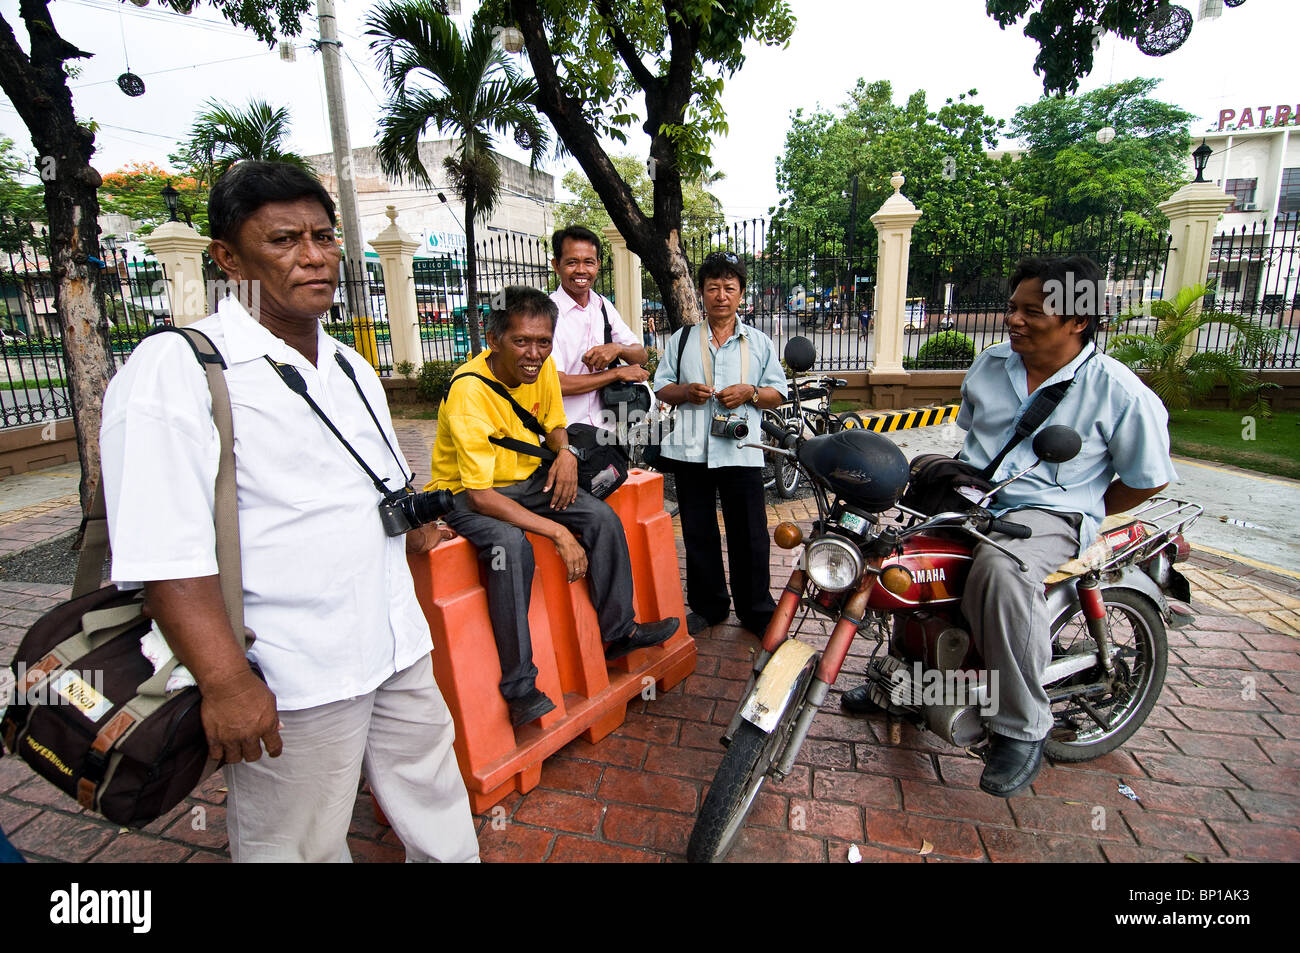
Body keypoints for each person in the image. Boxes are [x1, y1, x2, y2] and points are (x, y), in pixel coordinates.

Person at [99, 161, 478, 863]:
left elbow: (380, 486)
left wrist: (419, 521)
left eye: (324, 236)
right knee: (297, 843)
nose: (314, 255)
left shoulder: (350, 364)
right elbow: (164, 555)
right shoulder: (179, 369)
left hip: (396, 641)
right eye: (283, 240)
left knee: (436, 800)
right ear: (227, 258)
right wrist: (226, 682)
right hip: (292, 670)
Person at [841, 255, 1178, 798]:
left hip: (1049, 514)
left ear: (1078, 319)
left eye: (1032, 311)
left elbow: (1146, 479)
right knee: (901, 557)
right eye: (1012, 308)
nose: (1014, 320)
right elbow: (974, 435)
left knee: (1000, 568)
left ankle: (1021, 726)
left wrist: (1081, 504)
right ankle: (906, 680)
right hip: (974, 498)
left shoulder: (1120, 391)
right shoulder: (991, 364)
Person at [427, 286, 679, 728]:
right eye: (521, 341)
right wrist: (558, 533)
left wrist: (564, 454)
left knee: (601, 517)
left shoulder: (539, 369)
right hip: (469, 494)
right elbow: (482, 495)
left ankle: (619, 632)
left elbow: (554, 422)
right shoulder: (469, 392)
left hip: (527, 480)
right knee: (512, 548)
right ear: (494, 340)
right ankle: (520, 688)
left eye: (543, 342)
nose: (534, 353)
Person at [653, 251, 789, 637]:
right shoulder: (681, 340)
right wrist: (684, 392)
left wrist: (750, 392)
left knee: (749, 533)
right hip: (690, 451)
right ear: (701, 293)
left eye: (729, 287)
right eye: (713, 287)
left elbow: (777, 393)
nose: (721, 295)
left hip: (741, 453)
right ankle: (709, 606)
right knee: (698, 532)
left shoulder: (759, 343)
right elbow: (661, 385)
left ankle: (756, 609)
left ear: (741, 294)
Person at [548, 225, 649, 428]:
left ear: (598, 264)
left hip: (606, 434)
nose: (581, 270)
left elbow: (641, 356)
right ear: (556, 265)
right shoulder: (546, 314)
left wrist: (618, 349)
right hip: (565, 434)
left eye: (589, 262)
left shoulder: (602, 306)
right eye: (572, 262)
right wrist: (615, 373)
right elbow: (556, 384)